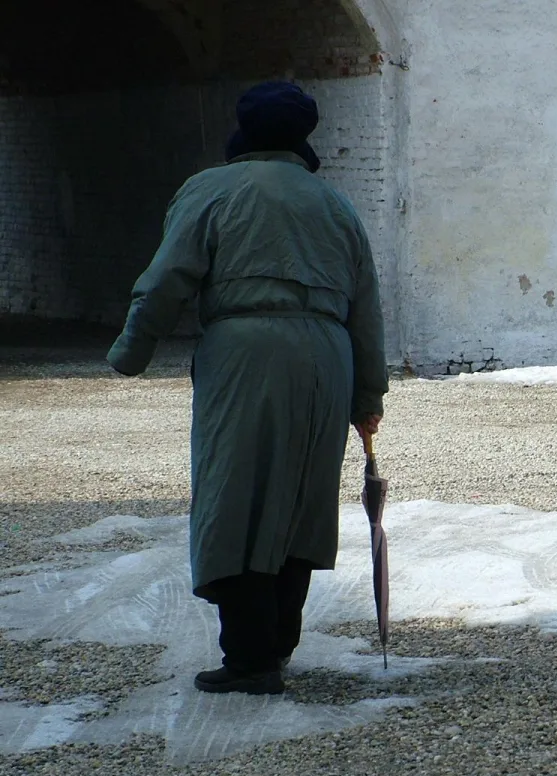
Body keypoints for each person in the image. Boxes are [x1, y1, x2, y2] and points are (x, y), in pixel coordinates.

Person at [106, 81, 389, 695]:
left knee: (236, 497)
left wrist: (132, 350)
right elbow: (366, 307)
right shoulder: (335, 205)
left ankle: (250, 658)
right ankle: (276, 644)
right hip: (328, 356)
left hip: (245, 352)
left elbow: (166, 279)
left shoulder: (212, 189)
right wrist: (367, 397)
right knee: (300, 499)